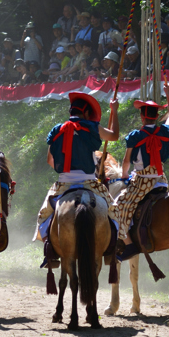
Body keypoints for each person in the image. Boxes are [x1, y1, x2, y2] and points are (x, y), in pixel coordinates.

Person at [35, 92, 119, 269]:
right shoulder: (92, 127)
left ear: (70, 111)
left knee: (43, 216)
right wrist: (114, 111)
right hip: (90, 183)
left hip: (63, 184)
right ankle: (113, 249)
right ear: (86, 113)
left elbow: (50, 160)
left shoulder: (57, 130)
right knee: (114, 212)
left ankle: (50, 252)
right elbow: (114, 136)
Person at [115, 83, 169, 260]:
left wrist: (124, 175)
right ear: (157, 117)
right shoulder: (164, 130)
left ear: (142, 118)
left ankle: (128, 246)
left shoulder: (135, 136)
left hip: (142, 182)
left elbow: (127, 161)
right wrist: (168, 95)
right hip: (161, 180)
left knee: (117, 208)